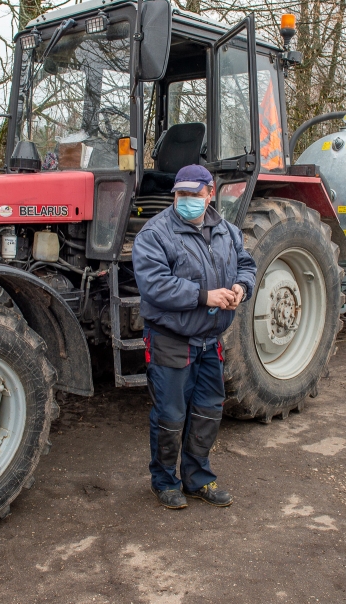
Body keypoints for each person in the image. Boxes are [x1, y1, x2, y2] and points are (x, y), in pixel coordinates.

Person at [131, 164, 257, 509]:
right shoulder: (155, 234)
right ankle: (164, 482)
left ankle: (197, 479)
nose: (186, 200)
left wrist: (240, 287)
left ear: (210, 193)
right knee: (170, 416)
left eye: (193, 194)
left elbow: (246, 265)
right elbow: (154, 285)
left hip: (210, 340)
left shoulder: (227, 231)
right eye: (180, 194)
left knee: (207, 411)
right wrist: (204, 296)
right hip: (171, 339)